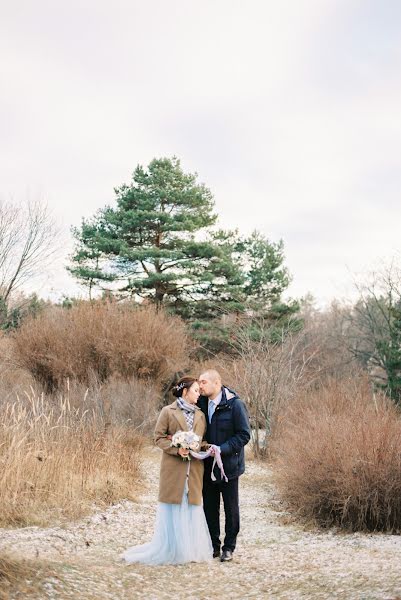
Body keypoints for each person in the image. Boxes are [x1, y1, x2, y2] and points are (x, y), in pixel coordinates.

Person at [121, 376, 213, 565]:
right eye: (195, 390)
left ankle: (190, 551)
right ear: (185, 392)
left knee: (191, 508)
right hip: (174, 469)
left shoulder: (200, 415)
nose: (199, 393)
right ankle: (174, 550)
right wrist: (176, 448)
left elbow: (200, 441)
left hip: (194, 469)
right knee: (175, 508)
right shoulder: (168, 411)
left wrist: (207, 448)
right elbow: (158, 437)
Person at [198, 369, 250, 562]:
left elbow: (244, 435)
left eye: (203, 382)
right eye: (199, 382)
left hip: (229, 466)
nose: (200, 386)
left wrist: (223, 449)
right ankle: (213, 545)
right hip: (206, 466)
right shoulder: (201, 404)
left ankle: (229, 547)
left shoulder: (235, 405)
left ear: (216, 383)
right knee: (209, 508)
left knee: (231, 508)